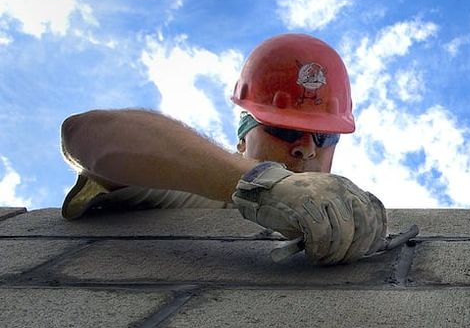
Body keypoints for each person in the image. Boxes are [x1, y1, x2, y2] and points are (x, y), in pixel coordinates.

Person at [60, 33, 387, 265]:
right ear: (243, 139)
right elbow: (85, 134)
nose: (306, 149)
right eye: (284, 130)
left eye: (324, 136)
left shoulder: (344, 223)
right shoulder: (190, 189)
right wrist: (264, 183)